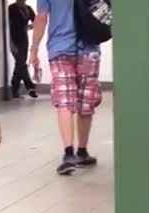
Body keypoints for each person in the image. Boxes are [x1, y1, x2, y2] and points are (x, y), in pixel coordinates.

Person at [30, 0, 102, 175]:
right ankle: (82, 152)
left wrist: (33, 50)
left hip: (60, 49)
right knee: (85, 102)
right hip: (88, 47)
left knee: (65, 101)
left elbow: (41, 18)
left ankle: (68, 154)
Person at [8, 0, 38, 98]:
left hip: (24, 40)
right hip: (14, 40)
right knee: (21, 64)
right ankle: (30, 87)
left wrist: (31, 25)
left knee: (20, 65)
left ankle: (14, 90)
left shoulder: (28, 9)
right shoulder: (11, 8)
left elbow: (36, 20)